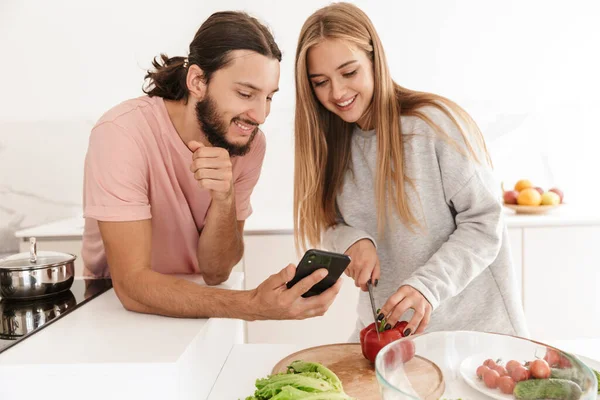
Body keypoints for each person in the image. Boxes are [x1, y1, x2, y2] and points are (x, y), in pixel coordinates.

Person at [81, 10, 341, 320]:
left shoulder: (249, 144)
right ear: (198, 81)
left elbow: (217, 272)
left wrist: (225, 197)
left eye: (268, 97)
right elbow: (132, 284)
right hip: (112, 310)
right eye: (246, 93)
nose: (260, 114)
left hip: (196, 300)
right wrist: (252, 306)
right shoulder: (122, 133)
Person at [293, 2, 528, 340]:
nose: (338, 93)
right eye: (321, 82)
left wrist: (426, 287)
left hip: (472, 336)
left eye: (349, 72)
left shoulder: (433, 126)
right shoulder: (330, 142)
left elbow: (485, 221)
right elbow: (329, 223)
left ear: (375, 60)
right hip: (386, 335)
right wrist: (353, 240)